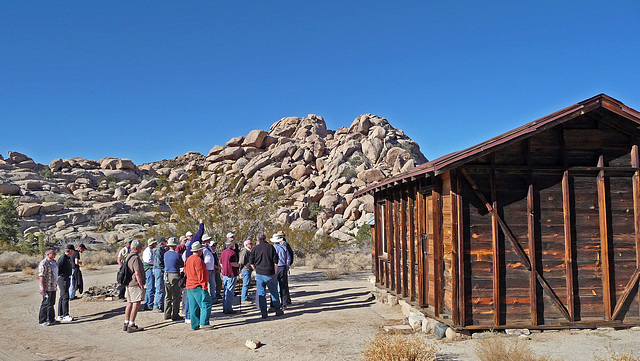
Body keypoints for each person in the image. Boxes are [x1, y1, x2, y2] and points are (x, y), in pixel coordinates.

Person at [249, 232, 283, 319]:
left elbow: (251, 263)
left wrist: (256, 270)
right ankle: (278, 310)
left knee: (261, 294)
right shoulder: (270, 247)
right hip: (270, 273)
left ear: (257, 240)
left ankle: (264, 312)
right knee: (274, 292)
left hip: (260, 274)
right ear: (265, 238)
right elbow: (276, 261)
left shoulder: (255, 249)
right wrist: (275, 271)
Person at [185, 241, 213, 331]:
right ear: (200, 250)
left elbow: (185, 271)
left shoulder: (188, 259)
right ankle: (204, 323)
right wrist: (204, 286)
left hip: (189, 285)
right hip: (197, 285)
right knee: (206, 303)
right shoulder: (198, 260)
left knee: (194, 306)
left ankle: (194, 325)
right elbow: (200, 274)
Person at [123, 239, 145, 333]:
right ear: (136, 248)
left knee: (130, 303)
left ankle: (126, 322)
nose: (141, 249)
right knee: (136, 303)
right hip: (135, 284)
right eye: (140, 247)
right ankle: (131, 324)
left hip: (128, 283)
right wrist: (141, 284)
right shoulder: (135, 258)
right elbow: (137, 273)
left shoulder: (128, 256)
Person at [163, 237, 184, 321]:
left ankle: (167, 313)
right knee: (176, 296)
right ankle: (175, 314)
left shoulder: (165, 254)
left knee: (168, 295)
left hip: (167, 274)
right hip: (175, 274)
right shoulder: (177, 255)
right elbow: (182, 264)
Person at [38, 248, 58, 326]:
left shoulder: (54, 262)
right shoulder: (44, 263)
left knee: (51, 303)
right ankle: (42, 320)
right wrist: (43, 287)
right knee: (46, 303)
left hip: (53, 286)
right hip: (47, 287)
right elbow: (41, 275)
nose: (55, 255)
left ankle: (51, 319)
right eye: (53, 254)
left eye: (55, 253)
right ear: (48, 254)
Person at [272, 233, 292, 308]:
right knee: (283, 286)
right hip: (283, 267)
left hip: (275, 268)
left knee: (273, 286)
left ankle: (274, 304)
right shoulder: (284, 248)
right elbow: (288, 258)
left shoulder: (272, 248)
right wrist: (286, 267)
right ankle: (284, 304)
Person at [220, 241, 239, 314]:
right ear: (231, 245)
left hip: (225, 273)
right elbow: (233, 263)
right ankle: (228, 308)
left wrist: (224, 269)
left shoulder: (223, 252)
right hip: (231, 273)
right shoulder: (232, 253)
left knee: (226, 290)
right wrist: (239, 265)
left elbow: (221, 263)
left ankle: (225, 307)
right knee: (230, 292)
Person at [57, 245, 74, 323]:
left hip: (66, 278)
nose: (73, 252)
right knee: (65, 296)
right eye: (72, 250)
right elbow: (58, 267)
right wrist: (60, 276)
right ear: (70, 250)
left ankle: (60, 315)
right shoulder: (63, 258)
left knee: (62, 296)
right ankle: (65, 315)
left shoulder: (67, 258)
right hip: (62, 278)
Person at [202, 234, 218, 304]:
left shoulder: (209, 248)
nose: (208, 241)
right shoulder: (202, 248)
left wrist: (214, 267)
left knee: (213, 283)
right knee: (206, 285)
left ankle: (213, 298)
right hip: (206, 269)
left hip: (211, 268)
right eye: (207, 240)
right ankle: (207, 299)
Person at [142, 237, 157, 310]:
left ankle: (147, 302)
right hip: (149, 269)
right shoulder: (148, 251)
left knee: (149, 287)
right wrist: (155, 262)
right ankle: (149, 303)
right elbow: (148, 261)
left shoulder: (148, 250)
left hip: (149, 269)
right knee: (150, 287)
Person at [153, 238, 167, 312]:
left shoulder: (162, 249)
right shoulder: (159, 250)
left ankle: (161, 304)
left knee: (162, 288)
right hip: (159, 270)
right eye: (165, 242)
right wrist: (163, 269)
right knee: (159, 288)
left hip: (159, 269)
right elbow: (158, 262)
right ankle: (156, 305)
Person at [238, 239, 253, 304]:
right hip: (245, 269)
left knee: (247, 284)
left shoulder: (249, 251)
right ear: (246, 245)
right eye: (250, 243)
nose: (252, 244)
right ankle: (243, 299)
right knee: (245, 284)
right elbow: (241, 261)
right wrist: (239, 269)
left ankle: (245, 296)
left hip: (248, 269)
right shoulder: (245, 251)